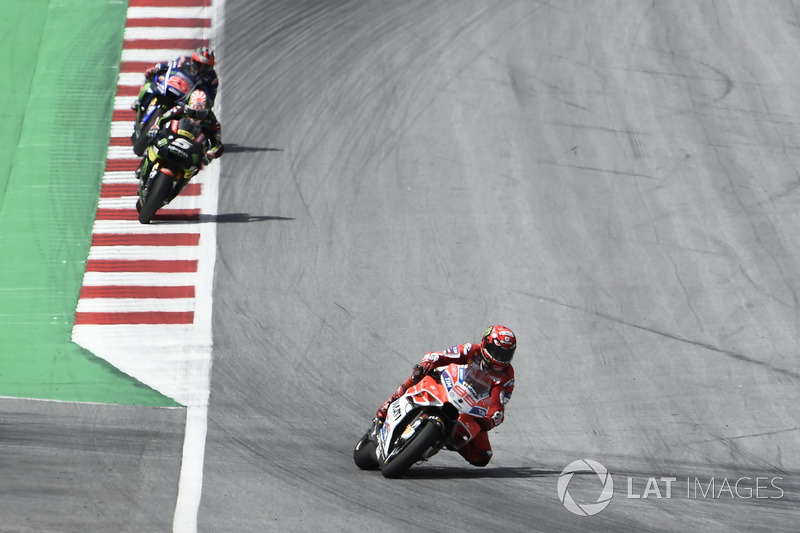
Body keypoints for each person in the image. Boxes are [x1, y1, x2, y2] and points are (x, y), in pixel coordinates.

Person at [372, 325, 516, 467]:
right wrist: (429, 362)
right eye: (496, 352)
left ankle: (441, 440)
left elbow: (498, 404)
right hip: (448, 385)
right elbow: (443, 355)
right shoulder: (472, 350)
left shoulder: (507, 376)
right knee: (419, 372)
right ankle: (389, 403)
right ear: (485, 344)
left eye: (505, 355)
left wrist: (490, 420)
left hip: (472, 406)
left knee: (481, 456)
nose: (500, 358)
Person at [135, 89, 224, 200]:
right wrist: (155, 127)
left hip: (193, 147)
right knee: (153, 143)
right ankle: (143, 166)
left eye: (200, 114)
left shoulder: (212, 122)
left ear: (206, 111)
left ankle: (176, 188)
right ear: (187, 108)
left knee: (195, 168)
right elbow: (162, 119)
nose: (196, 117)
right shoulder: (179, 109)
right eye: (192, 112)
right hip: (172, 137)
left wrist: (211, 153)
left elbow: (218, 144)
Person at [131, 47, 219, 117]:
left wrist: (201, 98)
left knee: (203, 117)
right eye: (199, 65)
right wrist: (156, 68)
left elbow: (210, 100)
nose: (201, 69)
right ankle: (139, 101)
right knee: (150, 80)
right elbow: (169, 65)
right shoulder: (183, 60)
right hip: (169, 86)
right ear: (193, 60)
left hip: (186, 100)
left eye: (206, 67)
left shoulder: (212, 78)